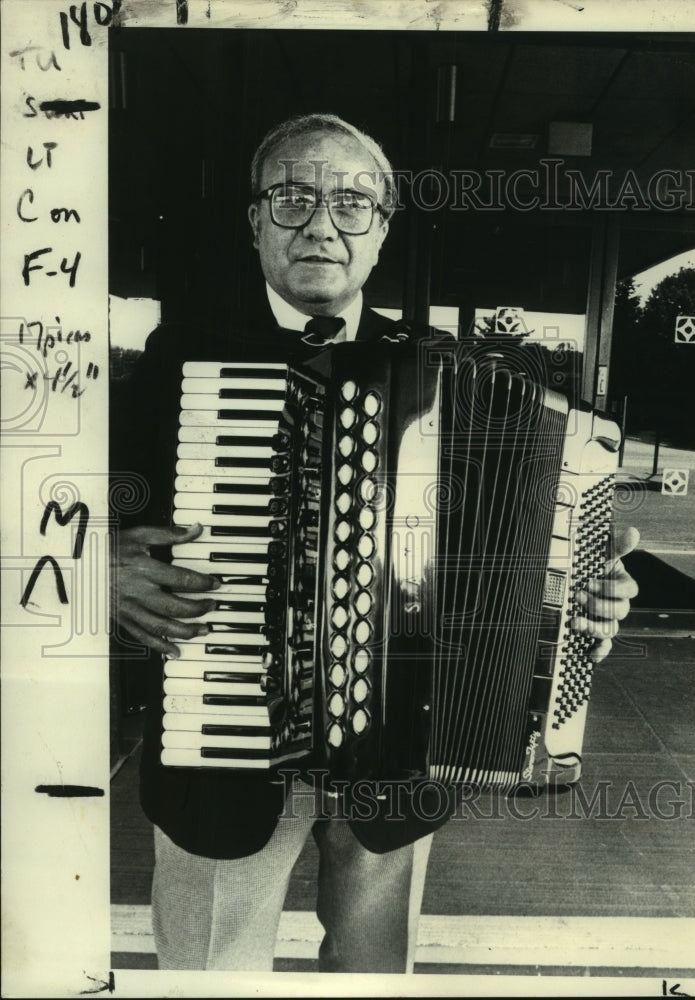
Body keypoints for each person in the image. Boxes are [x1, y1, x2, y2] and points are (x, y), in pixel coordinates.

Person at [111, 113, 639, 974]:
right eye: (292, 198)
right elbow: (58, 522)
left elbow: (508, 561)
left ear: (383, 228)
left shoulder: (438, 368)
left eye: (352, 203)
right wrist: (99, 566)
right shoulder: (175, 361)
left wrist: (581, 598)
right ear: (255, 220)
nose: (321, 223)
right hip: (221, 753)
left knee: (373, 979)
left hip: (400, 762)